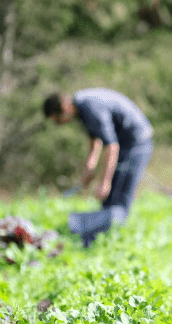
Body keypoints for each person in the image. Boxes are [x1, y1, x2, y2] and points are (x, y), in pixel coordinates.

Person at [44, 88, 154, 247]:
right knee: (109, 201)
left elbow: (111, 146)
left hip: (136, 144)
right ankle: (93, 240)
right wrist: (89, 170)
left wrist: (105, 182)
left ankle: (110, 244)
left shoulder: (88, 106)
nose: (60, 124)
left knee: (117, 200)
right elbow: (96, 140)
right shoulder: (81, 107)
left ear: (65, 107)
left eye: (58, 119)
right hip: (126, 144)